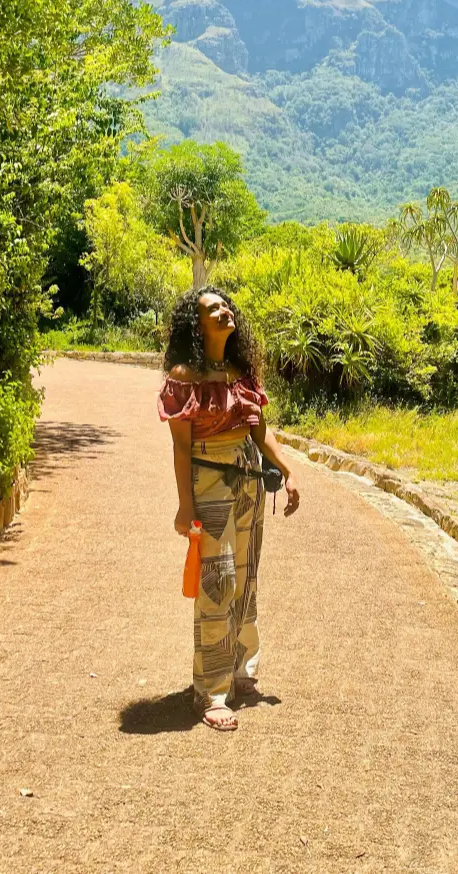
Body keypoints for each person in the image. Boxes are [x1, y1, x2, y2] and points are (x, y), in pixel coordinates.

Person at [158, 287, 299, 731]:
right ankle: (213, 690)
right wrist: (185, 507)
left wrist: (289, 471)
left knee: (246, 576)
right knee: (218, 581)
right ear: (195, 324)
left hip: (248, 483)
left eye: (225, 305)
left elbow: (261, 435)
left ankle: (243, 669)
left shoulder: (242, 372)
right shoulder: (184, 376)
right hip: (210, 481)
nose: (224, 312)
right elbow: (181, 449)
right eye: (212, 309)